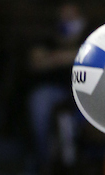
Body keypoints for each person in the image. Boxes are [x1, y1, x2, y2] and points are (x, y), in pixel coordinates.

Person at [27, 4, 87, 161]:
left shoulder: (90, 35)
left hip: (85, 91)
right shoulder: (48, 35)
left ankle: (77, 159)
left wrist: (56, 57)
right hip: (54, 90)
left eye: (71, 13)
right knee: (40, 102)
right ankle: (44, 158)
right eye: (63, 12)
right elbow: (37, 62)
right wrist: (69, 56)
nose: (66, 15)